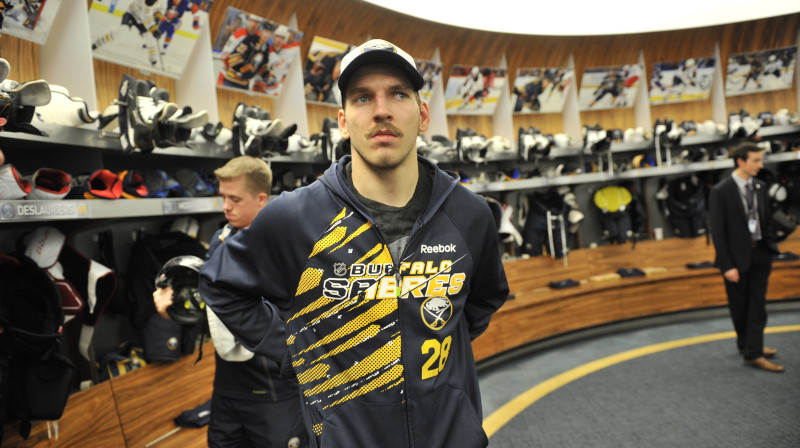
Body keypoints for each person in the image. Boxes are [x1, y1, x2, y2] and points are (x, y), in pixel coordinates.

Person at [200, 39, 510, 447]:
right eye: (363, 97)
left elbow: (483, 299)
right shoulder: (295, 217)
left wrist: (427, 344)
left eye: (398, 94)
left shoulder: (470, 214)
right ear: (344, 123)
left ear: (422, 115)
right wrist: (295, 348)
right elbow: (219, 283)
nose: (381, 110)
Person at [154, 156, 307, 447]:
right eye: (223, 196)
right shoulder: (221, 239)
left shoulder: (288, 244)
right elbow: (216, 309)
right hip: (228, 389)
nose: (225, 206)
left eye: (235, 199)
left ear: (261, 199)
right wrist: (174, 305)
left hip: (274, 391)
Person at [708, 142, 783, 373]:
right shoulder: (721, 191)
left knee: (757, 305)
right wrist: (727, 265)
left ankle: (754, 352)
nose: (760, 165)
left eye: (761, 160)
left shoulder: (760, 186)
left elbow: (764, 218)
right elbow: (717, 232)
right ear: (741, 162)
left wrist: (771, 245)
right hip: (735, 259)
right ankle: (747, 345)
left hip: (761, 253)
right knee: (740, 307)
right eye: (756, 160)